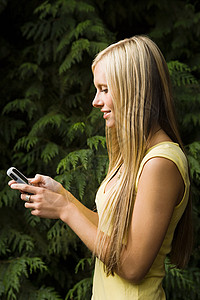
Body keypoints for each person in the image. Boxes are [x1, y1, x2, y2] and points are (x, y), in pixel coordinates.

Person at [9, 35, 193, 300]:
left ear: (133, 89)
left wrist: (65, 210)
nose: (95, 101)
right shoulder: (134, 156)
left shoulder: (160, 163)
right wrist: (63, 196)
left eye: (104, 89)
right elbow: (112, 232)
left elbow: (132, 266)